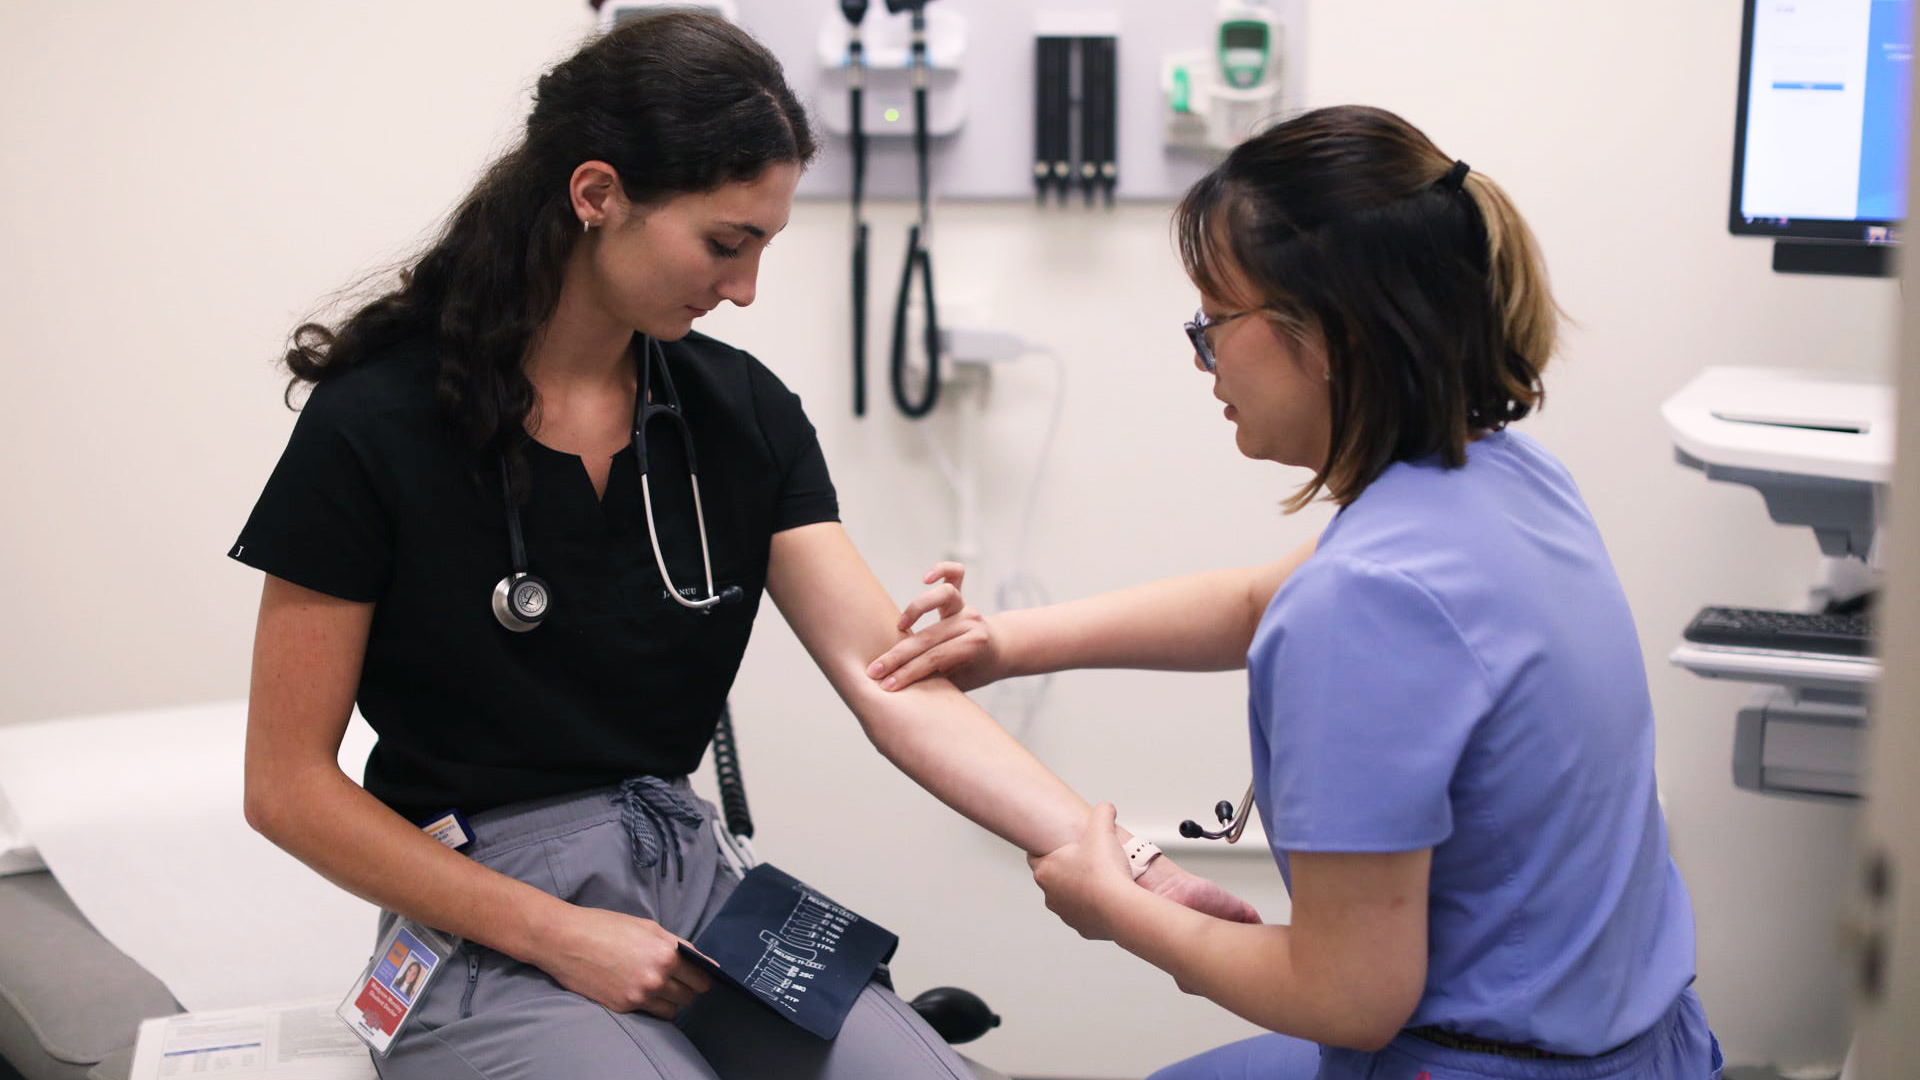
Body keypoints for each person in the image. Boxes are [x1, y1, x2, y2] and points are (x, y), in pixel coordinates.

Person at [231, 12, 1254, 1080]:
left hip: (687, 877)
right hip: (477, 911)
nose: (746, 288)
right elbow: (286, 785)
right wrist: (554, 933)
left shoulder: (737, 414)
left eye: (764, 246)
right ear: (597, 195)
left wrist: (1116, 855)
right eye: (727, 242)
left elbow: (891, 679)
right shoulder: (379, 421)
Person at [867, 105, 1724, 1080]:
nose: (1205, 359)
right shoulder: (1504, 480)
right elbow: (1250, 603)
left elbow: (1347, 1000)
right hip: (1648, 1050)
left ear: (1329, 336)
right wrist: (1007, 642)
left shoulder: (1365, 604)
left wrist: (1124, 913)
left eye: (1212, 323)